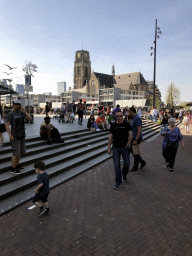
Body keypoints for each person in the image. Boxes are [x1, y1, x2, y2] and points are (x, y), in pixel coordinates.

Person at [5, 99, 32, 174]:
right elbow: (7, 125)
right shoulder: (11, 114)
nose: (17, 106)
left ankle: (17, 165)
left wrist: (25, 111)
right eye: (16, 104)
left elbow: (30, 119)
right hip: (15, 136)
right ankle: (13, 168)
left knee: (20, 152)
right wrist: (10, 135)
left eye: (18, 105)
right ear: (13, 105)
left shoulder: (21, 113)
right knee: (15, 153)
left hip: (22, 135)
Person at [108, 110, 133, 189]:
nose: (119, 117)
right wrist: (109, 147)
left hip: (124, 147)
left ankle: (124, 174)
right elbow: (110, 137)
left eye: (120, 116)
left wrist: (128, 144)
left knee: (127, 163)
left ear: (123, 116)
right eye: (117, 116)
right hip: (115, 148)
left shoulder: (127, 124)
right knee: (116, 165)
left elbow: (131, 135)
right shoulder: (113, 125)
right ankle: (118, 182)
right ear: (115, 117)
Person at [129, 107, 146, 173]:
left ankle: (137, 166)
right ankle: (140, 164)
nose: (128, 112)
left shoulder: (137, 118)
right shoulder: (134, 118)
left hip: (136, 138)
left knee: (134, 152)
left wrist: (136, 139)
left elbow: (139, 129)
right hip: (134, 137)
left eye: (129, 111)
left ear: (132, 111)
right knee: (134, 152)